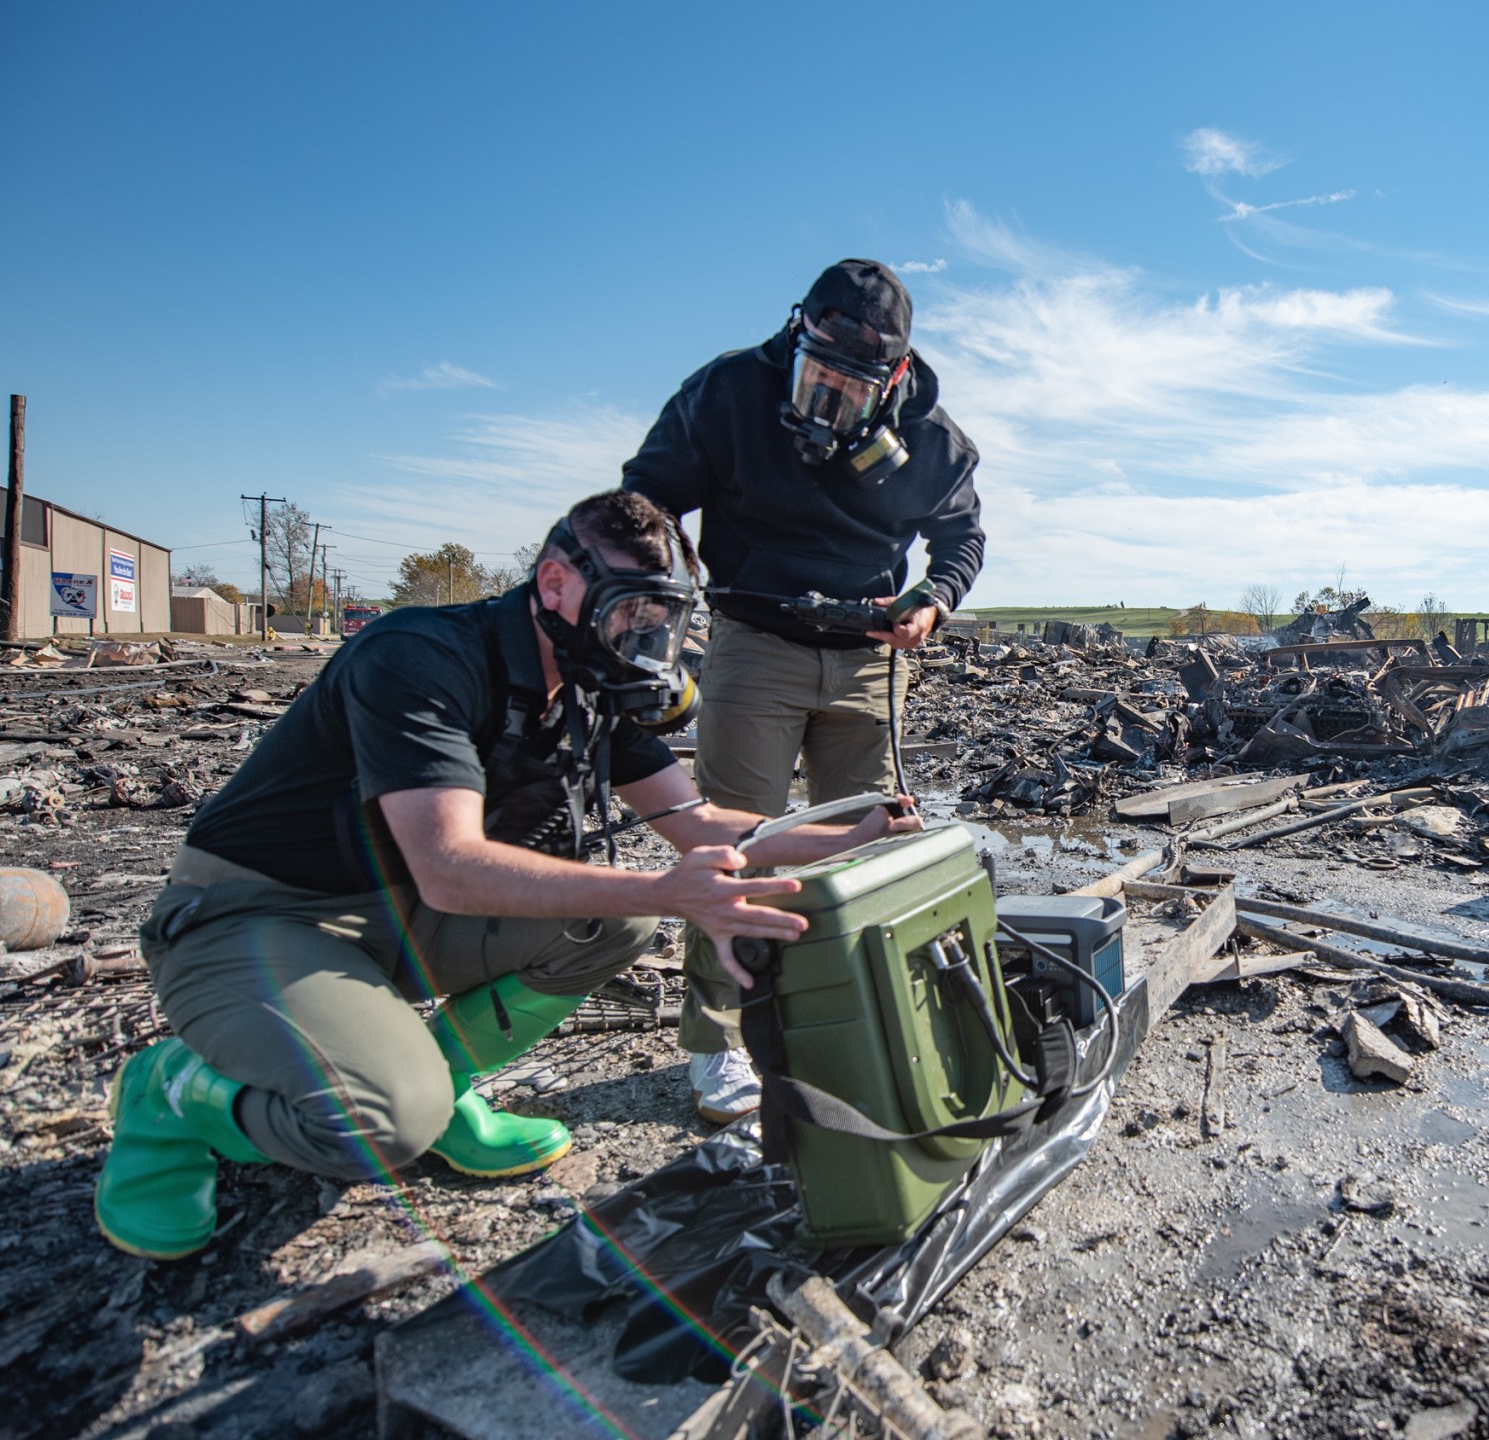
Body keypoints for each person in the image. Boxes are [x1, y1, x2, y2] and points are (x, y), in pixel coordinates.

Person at [92, 490, 916, 1260]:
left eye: (659, 617)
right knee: (380, 1124)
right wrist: (667, 891)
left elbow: (696, 822)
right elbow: (450, 868)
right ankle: (172, 1096)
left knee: (614, 921)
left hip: (398, 916)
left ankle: (441, 1083)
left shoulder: (596, 685)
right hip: (260, 916)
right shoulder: (419, 655)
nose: (643, 636)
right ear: (556, 584)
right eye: (630, 609)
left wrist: (851, 836)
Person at [622, 259, 983, 1124]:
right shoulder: (728, 394)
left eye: (853, 384)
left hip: (869, 657)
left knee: (862, 846)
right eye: (817, 368)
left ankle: (849, 1023)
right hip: (754, 643)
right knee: (734, 847)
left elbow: (962, 540)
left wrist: (931, 603)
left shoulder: (935, 441)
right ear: (798, 333)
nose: (829, 395)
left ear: (896, 375)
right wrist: (660, 584)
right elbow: (645, 500)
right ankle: (717, 1048)